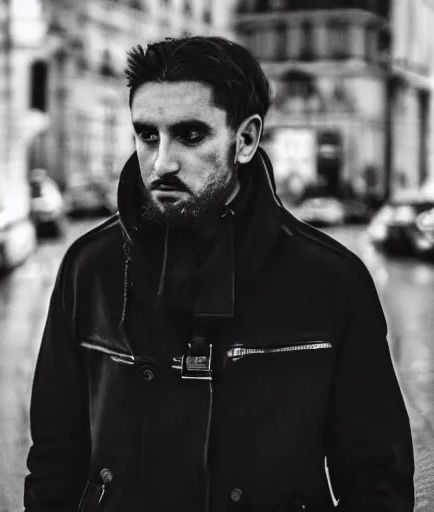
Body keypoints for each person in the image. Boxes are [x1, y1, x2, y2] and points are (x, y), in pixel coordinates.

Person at [24, 36, 414, 512]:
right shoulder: (89, 267)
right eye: (148, 135)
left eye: (190, 136)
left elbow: (377, 478)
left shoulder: (332, 280)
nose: (162, 162)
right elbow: (54, 461)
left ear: (245, 139)